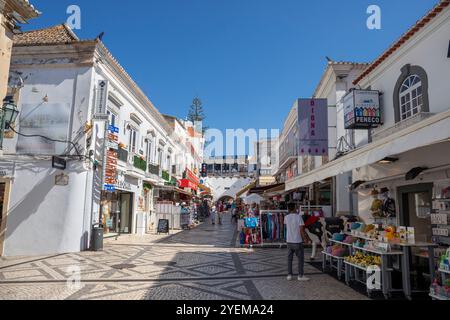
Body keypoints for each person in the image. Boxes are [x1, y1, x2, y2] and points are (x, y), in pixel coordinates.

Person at [285, 202, 309, 281]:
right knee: (300, 259)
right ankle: (300, 275)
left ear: (288, 209)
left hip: (289, 241)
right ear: (295, 208)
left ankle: (289, 275)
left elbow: (286, 228)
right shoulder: (299, 217)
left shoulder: (286, 217)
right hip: (297, 241)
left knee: (289, 259)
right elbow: (301, 230)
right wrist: (305, 238)